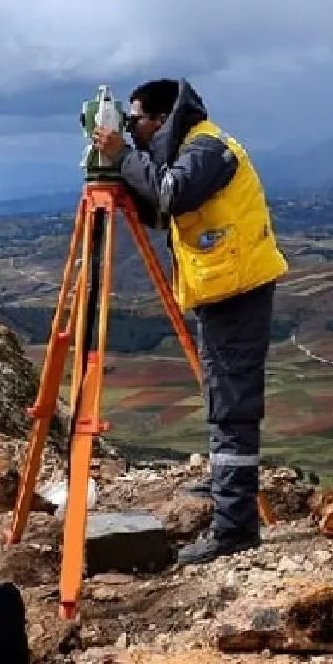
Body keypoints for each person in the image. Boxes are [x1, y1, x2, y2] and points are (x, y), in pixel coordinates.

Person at [92, 77, 289, 564]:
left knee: (232, 404)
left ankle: (234, 526)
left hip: (235, 290)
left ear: (160, 119)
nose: (132, 130)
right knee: (224, 396)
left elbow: (171, 193)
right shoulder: (194, 146)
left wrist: (120, 157)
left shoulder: (206, 148)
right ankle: (229, 490)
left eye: (135, 121)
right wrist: (125, 165)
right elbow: (162, 209)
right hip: (221, 289)